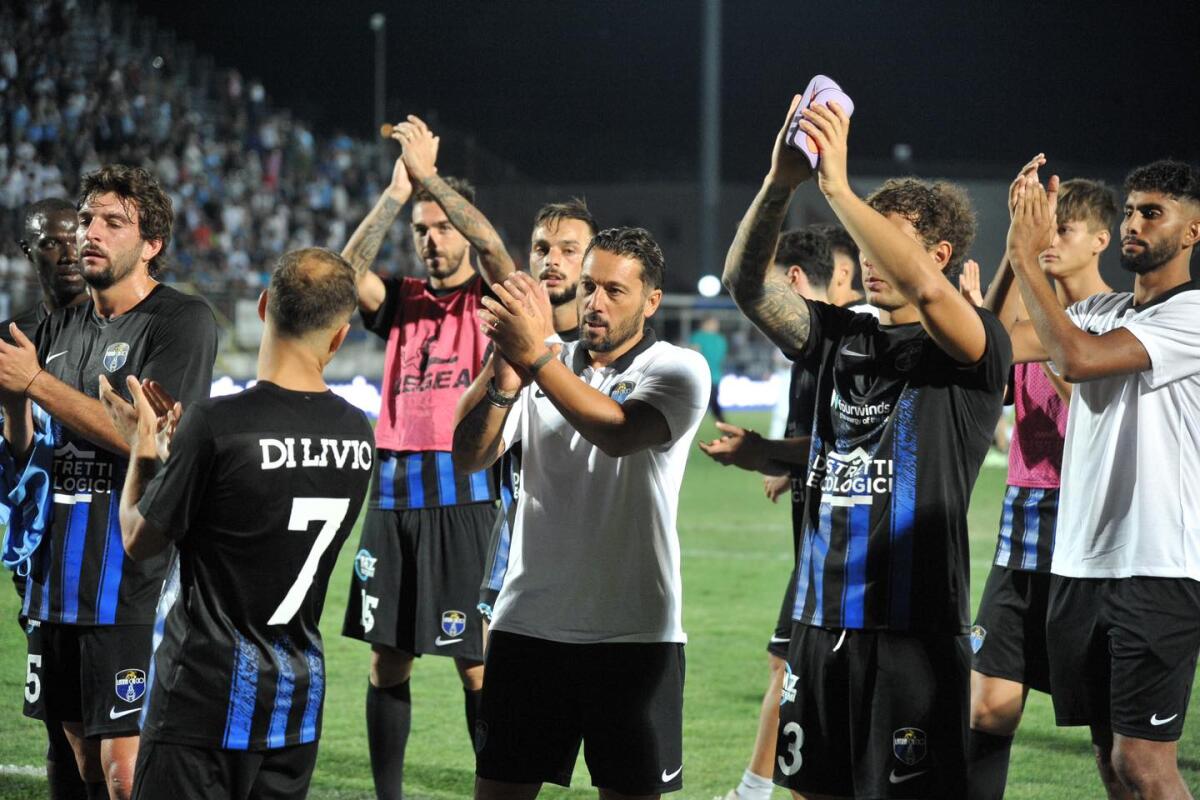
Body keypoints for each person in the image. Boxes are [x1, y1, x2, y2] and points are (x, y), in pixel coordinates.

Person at [724, 95, 1009, 799]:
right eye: (866, 236)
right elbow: (745, 286)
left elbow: (924, 290)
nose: (870, 256)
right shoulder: (838, 334)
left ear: (940, 255)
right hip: (819, 622)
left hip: (912, 636)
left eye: (890, 238)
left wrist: (840, 190)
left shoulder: (974, 348)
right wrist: (779, 184)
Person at [91, 247, 374, 800]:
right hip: (295, 705)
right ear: (339, 337)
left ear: (264, 305)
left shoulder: (219, 424)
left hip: (202, 699)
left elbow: (139, 539)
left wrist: (142, 451)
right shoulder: (358, 432)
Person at [453, 227, 709, 799]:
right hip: (527, 626)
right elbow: (468, 456)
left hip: (635, 634)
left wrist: (536, 357)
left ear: (652, 301)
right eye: (589, 286)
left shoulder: (678, 368)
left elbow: (617, 433)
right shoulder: (541, 360)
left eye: (615, 291)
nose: (595, 302)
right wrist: (502, 381)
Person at [0, 165, 218, 800]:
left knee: (127, 776)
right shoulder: (61, 326)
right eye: (88, 218)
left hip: (130, 579)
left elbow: (148, 438)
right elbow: (32, 448)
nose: (87, 234)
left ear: (150, 243)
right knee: (85, 763)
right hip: (57, 580)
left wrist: (37, 384)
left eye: (111, 223)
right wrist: (15, 402)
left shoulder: (180, 322)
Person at [1004, 159, 1200, 800]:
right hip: (1081, 565)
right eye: (1133, 210)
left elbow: (1075, 358)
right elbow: (1003, 341)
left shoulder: (1192, 315)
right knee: (1109, 762)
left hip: (1157, 568)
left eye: (1154, 212)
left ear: (1192, 230)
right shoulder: (1102, 308)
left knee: (1145, 763)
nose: (1134, 224)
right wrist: (1018, 245)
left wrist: (1031, 262)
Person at [335, 116, 516, 800]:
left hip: (463, 491)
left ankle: (493, 789)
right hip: (392, 492)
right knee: (388, 659)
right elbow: (343, 278)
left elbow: (495, 247)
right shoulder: (404, 299)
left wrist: (433, 180)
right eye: (423, 230)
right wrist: (395, 196)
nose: (432, 240)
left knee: (476, 665)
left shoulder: (491, 297)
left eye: (442, 227)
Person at [704, 225, 876, 800]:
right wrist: (784, 459)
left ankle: (752, 791)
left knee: (800, 677)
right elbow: (821, 435)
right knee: (792, 671)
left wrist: (767, 453)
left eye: (774, 286)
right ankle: (756, 788)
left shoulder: (854, 341)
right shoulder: (811, 351)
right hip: (816, 550)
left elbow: (859, 446)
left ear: (795, 281)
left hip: (850, 556)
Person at [967, 161, 1117, 800]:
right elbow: (990, 353)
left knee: (1115, 750)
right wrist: (1011, 245)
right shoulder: (1036, 309)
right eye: (1041, 228)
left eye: (1064, 229)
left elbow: (1078, 383)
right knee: (987, 709)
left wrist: (1027, 280)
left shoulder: (1120, 319)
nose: (1047, 239)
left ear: (1100, 240)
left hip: (1092, 533)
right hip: (1023, 524)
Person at [1, 196, 90, 800]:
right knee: (58, 727)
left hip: (104, 535)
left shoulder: (111, 326)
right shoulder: (16, 335)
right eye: (51, 242)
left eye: (74, 236)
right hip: (39, 542)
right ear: (27, 251)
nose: (67, 252)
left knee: (109, 726)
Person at [477, 199, 598, 624]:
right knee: (494, 686)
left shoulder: (609, 348)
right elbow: (475, 450)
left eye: (569, 249)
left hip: (596, 555)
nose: (552, 260)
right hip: (516, 549)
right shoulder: (506, 343)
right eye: (542, 249)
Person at [690, 317, 728, 422]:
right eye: (714, 323)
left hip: (708, 377)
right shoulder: (719, 339)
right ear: (705, 323)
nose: (716, 326)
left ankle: (727, 430)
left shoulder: (698, 337)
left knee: (699, 407)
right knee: (711, 406)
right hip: (710, 377)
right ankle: (727, 431)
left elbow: (694, 354)